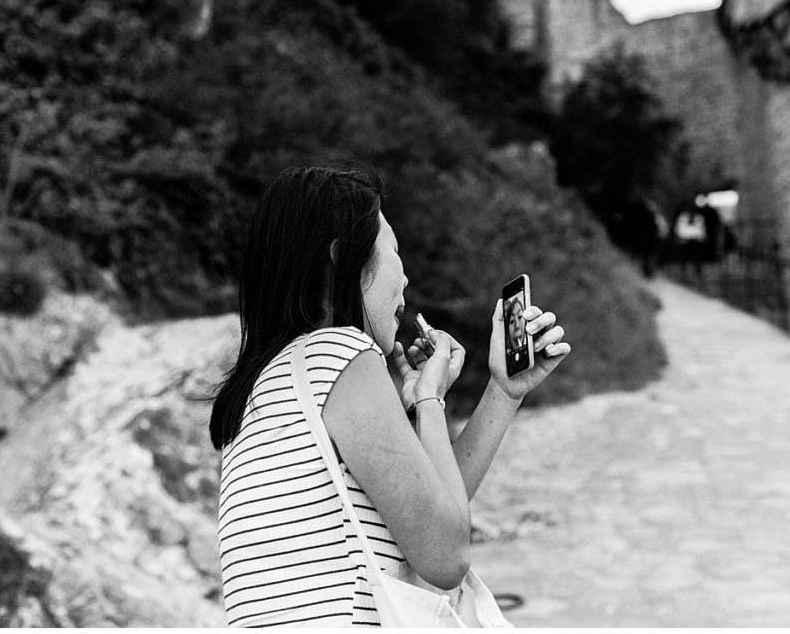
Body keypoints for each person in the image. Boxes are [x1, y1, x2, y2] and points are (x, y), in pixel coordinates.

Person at [210, 163, 571, 627]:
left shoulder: (272, 378)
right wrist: (430, 401)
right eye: (395, 251)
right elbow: (446, 555)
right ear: (344, 258)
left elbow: (434, 508)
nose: (405, 281)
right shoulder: (338, 352)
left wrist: (502, 392)